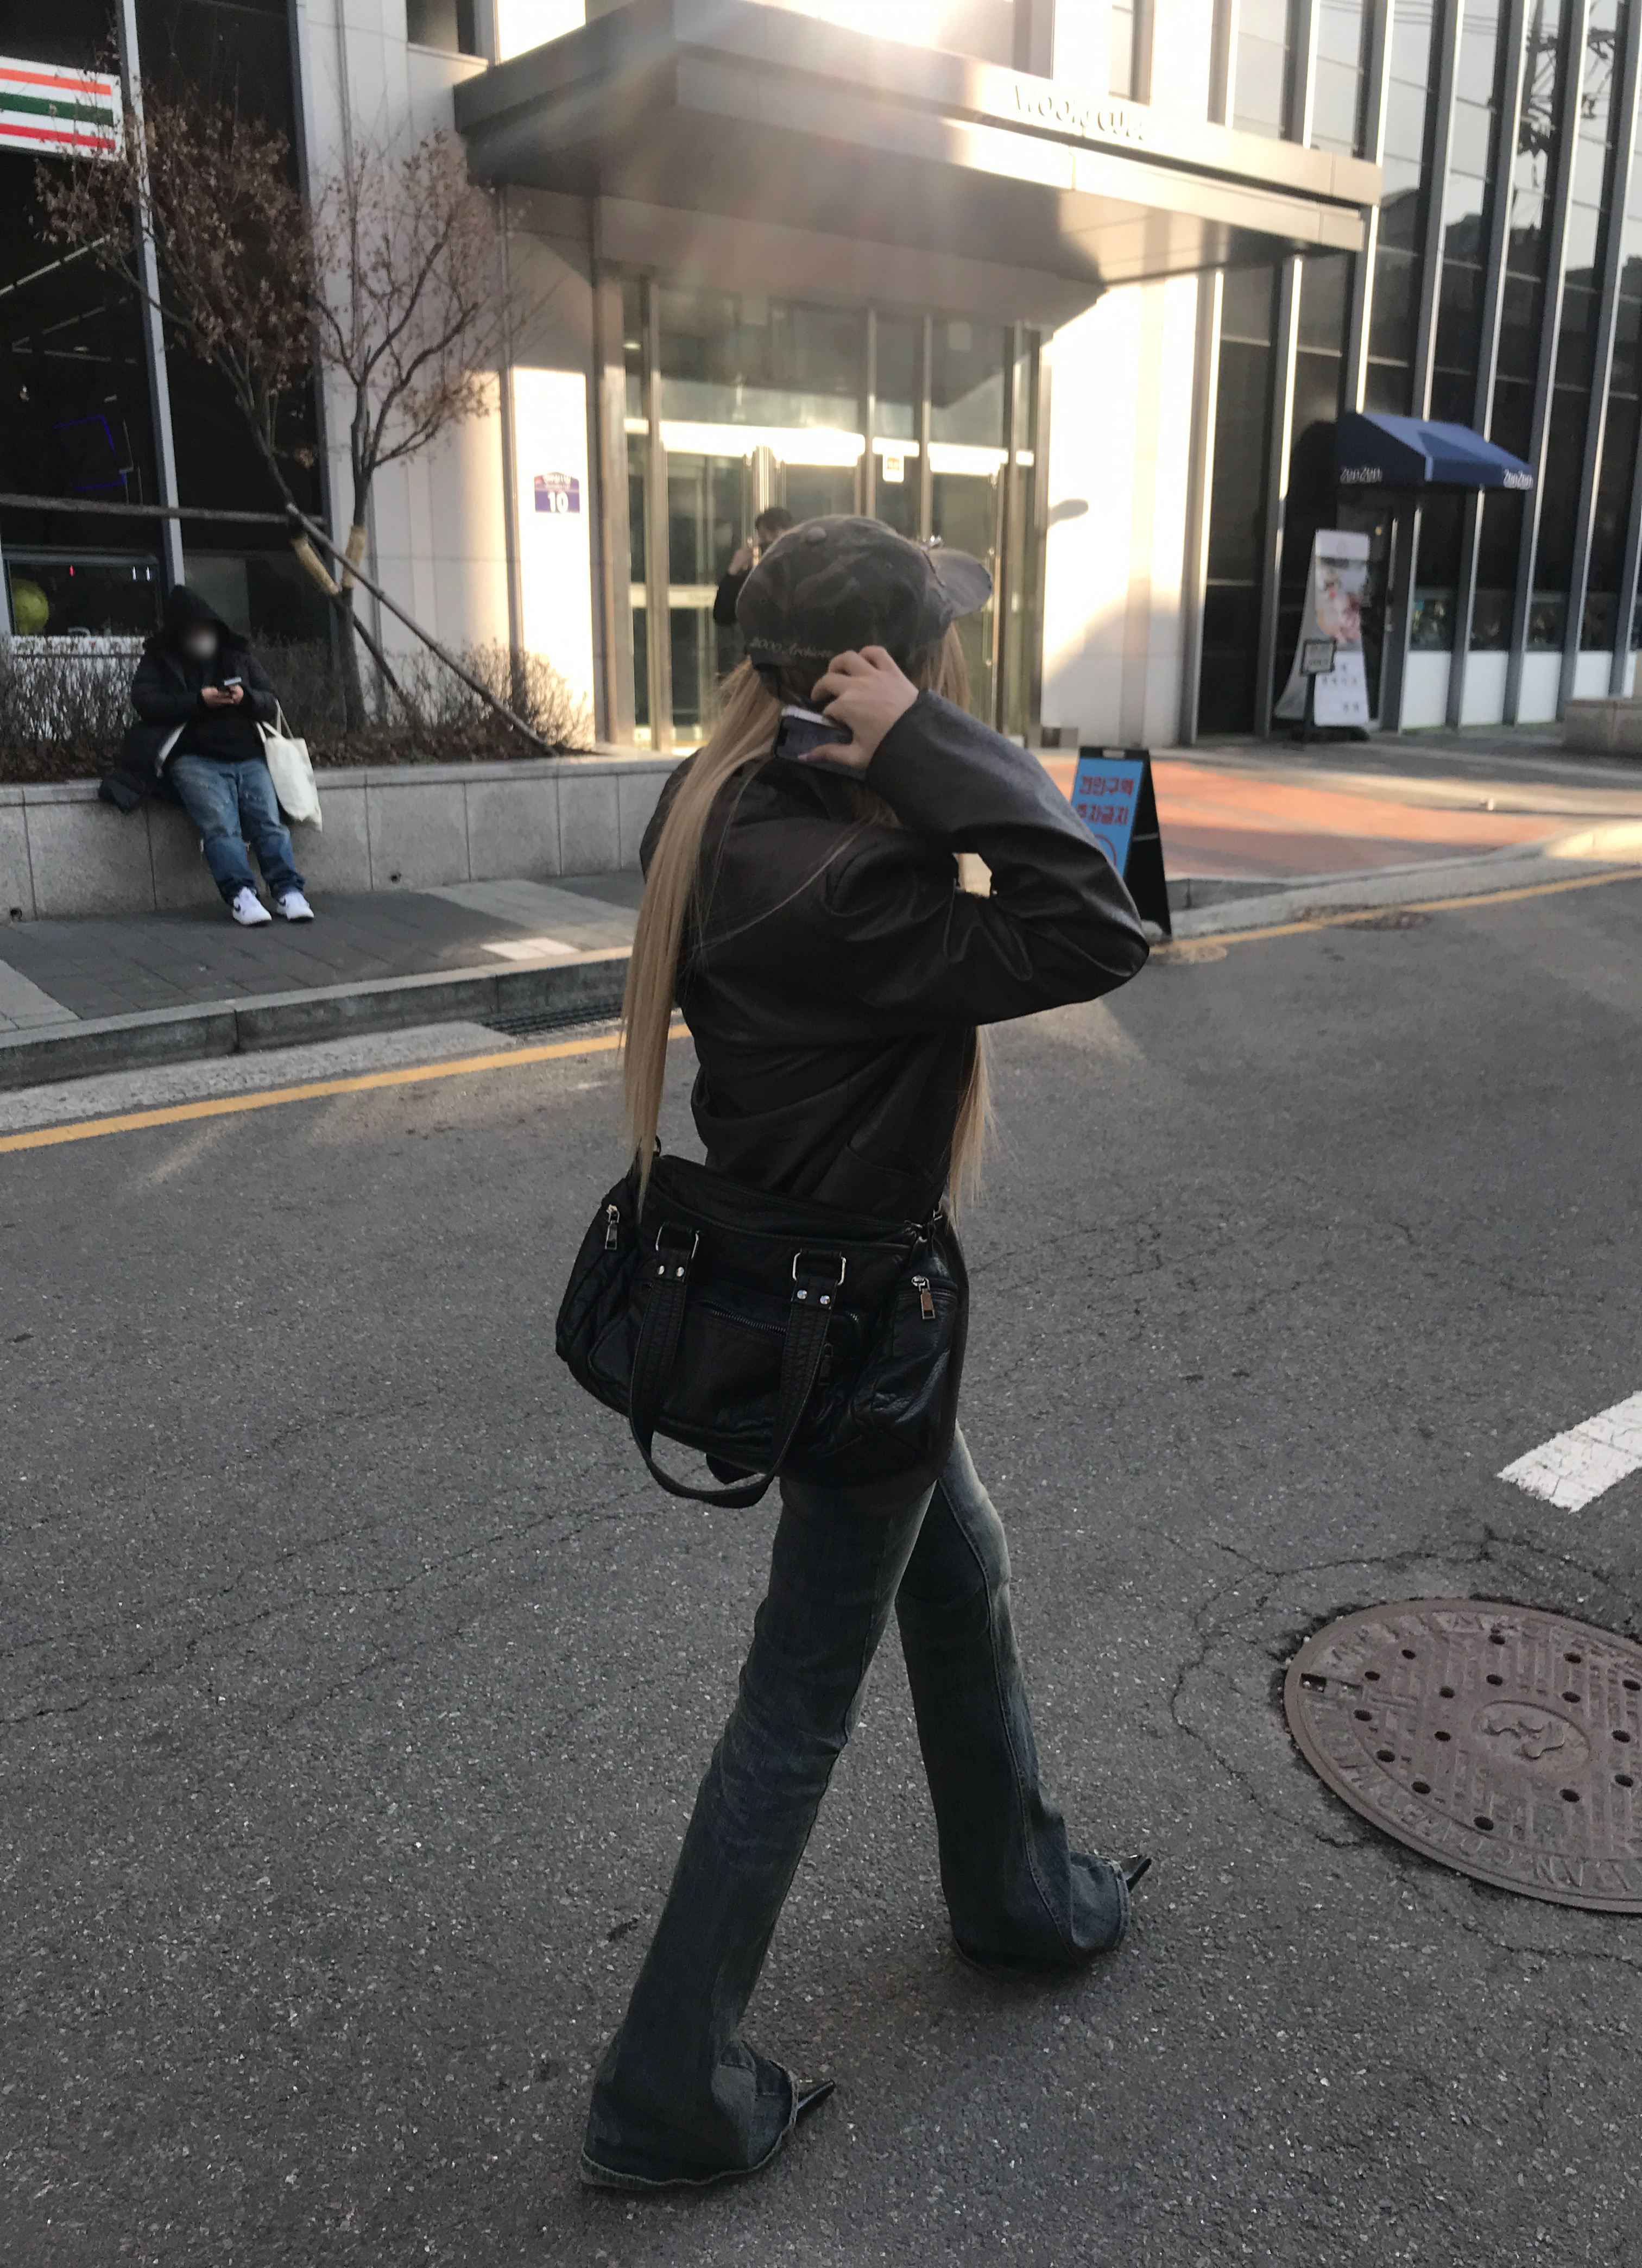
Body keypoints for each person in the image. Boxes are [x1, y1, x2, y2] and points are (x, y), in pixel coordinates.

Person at [580, 517, 1152, 2194]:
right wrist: (928, 745)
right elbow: (1098, 923)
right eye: (935, 659)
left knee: (961, 1572)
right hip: (860, 1321)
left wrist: (892, 753)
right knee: (796, 1704)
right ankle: (665, 2094)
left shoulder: (717, 808)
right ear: (878, 675)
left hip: (807, 1294)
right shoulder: (851, 880)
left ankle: (1018, 1891)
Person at [129, 587, 314, 927]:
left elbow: (270, 700)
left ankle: (288, 891)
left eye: (207, 629)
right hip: (194, 758)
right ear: (180, 633)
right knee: (220, 826)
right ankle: (241, 895)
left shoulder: (237, 654)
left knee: (269, 822)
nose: (202, 637)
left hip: (249, 755)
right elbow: (146, 702)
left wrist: (245, 698)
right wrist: (199, 701)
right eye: (194, 631)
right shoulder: (159, 659)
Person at [711, 505, 795, 627]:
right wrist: (733, 571)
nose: (768, 541)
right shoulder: (755, 578)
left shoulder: (804, 571)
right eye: (763, 536)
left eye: (775, 535)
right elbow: (723, 616)